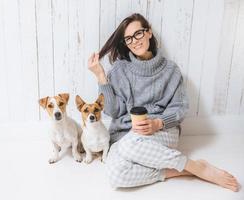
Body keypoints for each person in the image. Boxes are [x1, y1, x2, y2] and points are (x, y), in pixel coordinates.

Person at [87, 13, 239, 192]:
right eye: (128, 38)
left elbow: (180, 108)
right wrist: (100, 76)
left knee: (129, 146)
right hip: (126, 135)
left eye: (138, 34)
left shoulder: (170, 71)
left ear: (149, 32)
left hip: (161, 131)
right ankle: (187, 169)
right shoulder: (120, 70)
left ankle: (198, 168)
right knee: (116, 175)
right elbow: (113, 111)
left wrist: (158, 123)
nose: (135, 41)